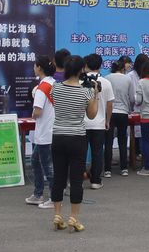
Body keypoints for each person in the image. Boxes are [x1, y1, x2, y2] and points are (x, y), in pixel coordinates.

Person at [50, 55, 99, 233]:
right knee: (76, 180)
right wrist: (95, 94)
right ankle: (73, 217)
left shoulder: (55, 88)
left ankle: (57, 214)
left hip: (58, 136)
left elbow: (57, 105)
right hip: (77, 138)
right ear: (81, 70)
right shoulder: (86, 92)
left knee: (58, 177)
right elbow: (92, 115)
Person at [25, 56, 56, 208]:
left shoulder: (42, 88)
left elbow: (37, 111)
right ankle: (38, 193)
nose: (34, 68)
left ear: (39, 68)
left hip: (45, 132)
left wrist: (32, 115)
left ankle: (54, 197)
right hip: (53, 130)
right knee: (36, 161)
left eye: (34, 65)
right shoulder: (54, 83)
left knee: (47, 167)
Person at [83, 54, 115, 190]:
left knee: (80, 153)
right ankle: (95, 181)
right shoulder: (106, 82)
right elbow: (110, 104)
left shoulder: (80, 82)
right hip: (99, 123)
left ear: (85, 65)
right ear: (100, 65)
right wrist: (108, 120)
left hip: (82, 124)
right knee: (97, 153)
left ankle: (77, 179)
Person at [104, 59, 134, 177]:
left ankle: (107, 170)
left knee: (108, 141)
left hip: (110, 112)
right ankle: (124, 168)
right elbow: (132, 98)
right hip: (123, 112)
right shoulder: (127, 79)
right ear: (122, 68)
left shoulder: (107, 78)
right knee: (122, 140)